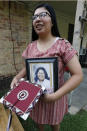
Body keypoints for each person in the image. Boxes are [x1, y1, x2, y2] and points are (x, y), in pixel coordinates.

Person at [11, 3, 83, 131]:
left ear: (53, 21)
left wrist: (55, 96)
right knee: (39, 121)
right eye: (34, 17)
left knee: (54, 123)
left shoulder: (63, 45)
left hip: (55, 97)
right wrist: (17, 77)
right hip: (35, 98)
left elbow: (78, 75)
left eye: (43, 15)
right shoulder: (30, 47)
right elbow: (27, 69)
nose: (37, 19)